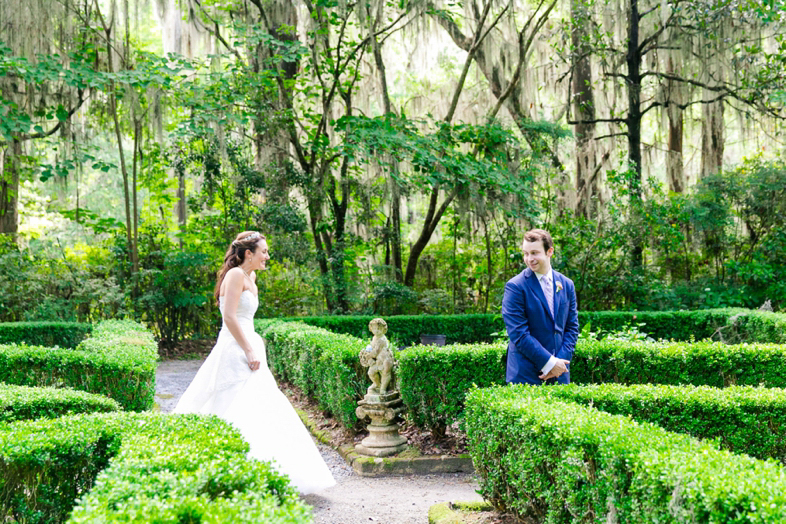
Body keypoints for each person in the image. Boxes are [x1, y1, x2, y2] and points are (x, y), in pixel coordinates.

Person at [174, 231, 335, 494]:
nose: (267, 256)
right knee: (232, 403)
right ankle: (221, 470)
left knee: (259, 405)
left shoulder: (251, 276)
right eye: (264, 252)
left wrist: (253, 347)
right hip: (236, 349)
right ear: (249, 253)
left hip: (250, 345)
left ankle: (259, 469)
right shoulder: (236, 274)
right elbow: (229, 317)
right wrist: (248, 350)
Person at [501, 229, 579, 385]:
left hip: (559, 375)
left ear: (549, 251)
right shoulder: (515, 287)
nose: (529, 259)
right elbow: (519, 334)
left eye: (534, 253)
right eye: (526, 253)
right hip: (526, 376)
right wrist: (549, 363)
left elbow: (571, 328)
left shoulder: (566, 284)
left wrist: (559, 364)